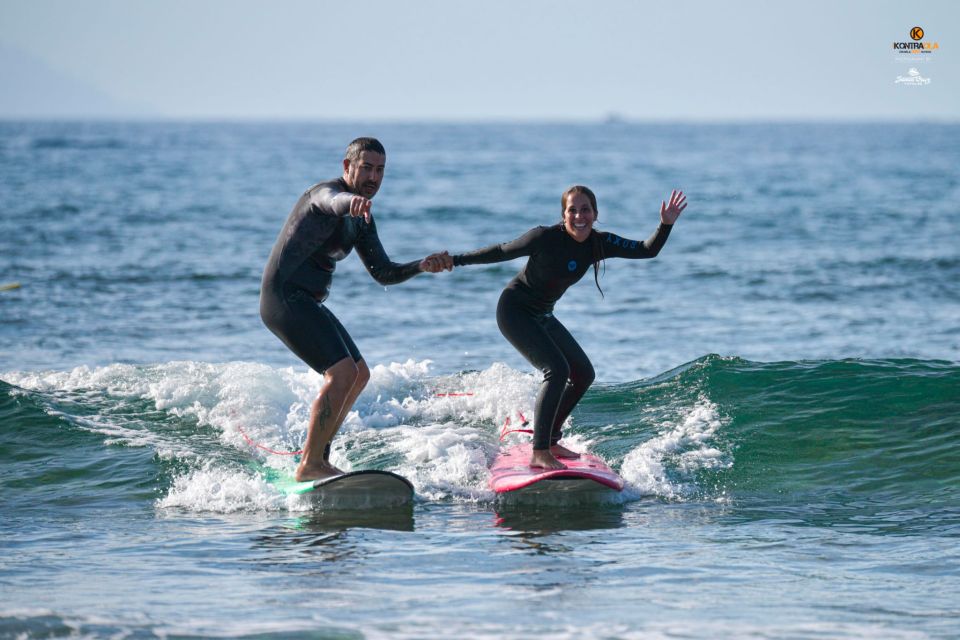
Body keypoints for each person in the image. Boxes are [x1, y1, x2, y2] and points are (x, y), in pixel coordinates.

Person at [450, 186, 687, 470]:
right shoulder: (544, 237)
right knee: (557, 370)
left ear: (595, 214)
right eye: (572, 210)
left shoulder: (600, 243)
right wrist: (455, 260)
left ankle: (549, 439)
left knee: (583, 373)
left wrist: (665, 224)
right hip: (514, 310)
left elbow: (647, 250)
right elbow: (500, 252)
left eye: (585, 209)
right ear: (563, 215)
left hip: (542, 314)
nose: (579, 216)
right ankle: (539, 451)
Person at [260, 137, 452, 481]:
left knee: (360, 375)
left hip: (307, 301)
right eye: (366, 168)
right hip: (284, 297)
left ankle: (317, 456)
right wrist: (352, 202)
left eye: (380, 170)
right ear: (347, 167)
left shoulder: (362, 219)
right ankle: (309, 465)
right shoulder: (323, 195)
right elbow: (334, 202)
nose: (373, 177)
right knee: (342, 373)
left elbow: (383, 272)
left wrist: (421, 266)